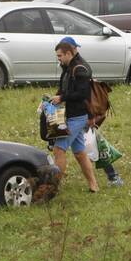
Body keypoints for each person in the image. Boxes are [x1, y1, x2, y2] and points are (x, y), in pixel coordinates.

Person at [49, 37, 99, 193]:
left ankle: (52, 188)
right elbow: (64, 88)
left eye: (59, 56)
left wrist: (62, 98)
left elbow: (83, 93)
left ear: (68, 53)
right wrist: (53, 99)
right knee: (79, 153)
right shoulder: (67, 67)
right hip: (70, 114)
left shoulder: (80, 69)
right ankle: (94, 185)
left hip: (77, 117)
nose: (58, 59)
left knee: (59, 149)